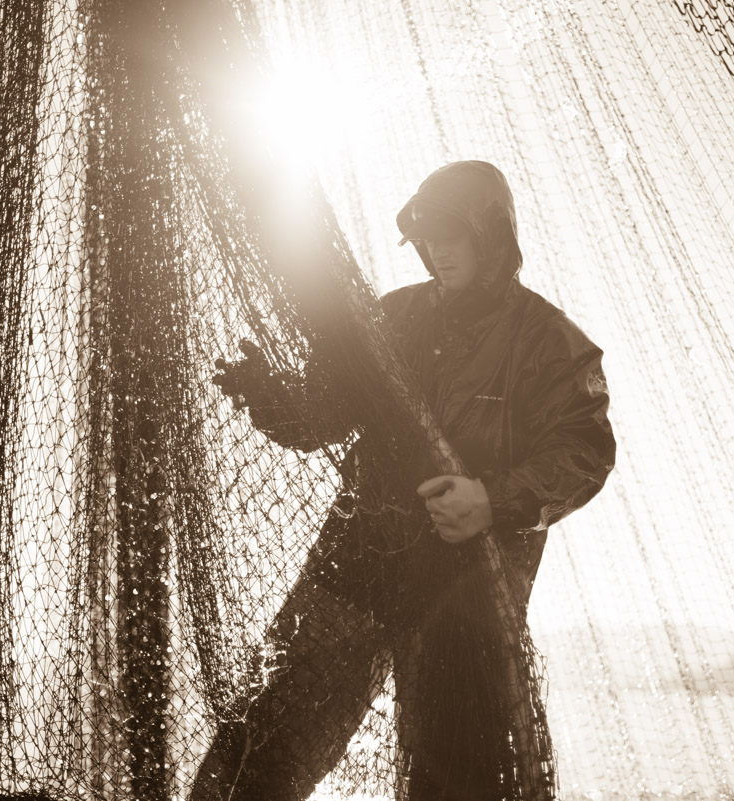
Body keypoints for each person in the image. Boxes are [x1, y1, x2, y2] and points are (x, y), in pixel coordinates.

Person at [194, 160, 616, 801]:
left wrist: (491, 501)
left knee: (452, 784)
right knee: (264, 746)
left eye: (452, 232)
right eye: (426, 236)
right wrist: (268, 396)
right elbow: (323, 415)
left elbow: (585, 451)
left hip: (465, 588)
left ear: (494, 235)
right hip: (357, 560)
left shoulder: (552, 343)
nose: (438, 249)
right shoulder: (392, 317)